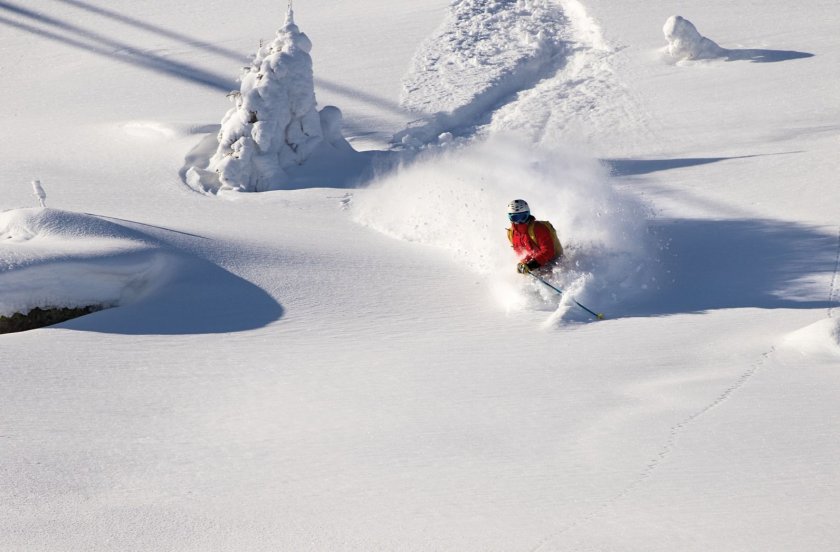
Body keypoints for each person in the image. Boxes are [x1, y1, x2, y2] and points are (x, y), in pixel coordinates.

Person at [506, 199, 562, 274]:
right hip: (535, 266)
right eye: (515, 218)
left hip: (554, 263)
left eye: (523, 217)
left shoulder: (538, 229)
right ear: (510, 218)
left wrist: (530, 265)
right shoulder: (511, 233)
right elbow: (522, 252)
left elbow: (548, 251)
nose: (519, 221)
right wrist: (523, 264)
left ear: (528, 214)